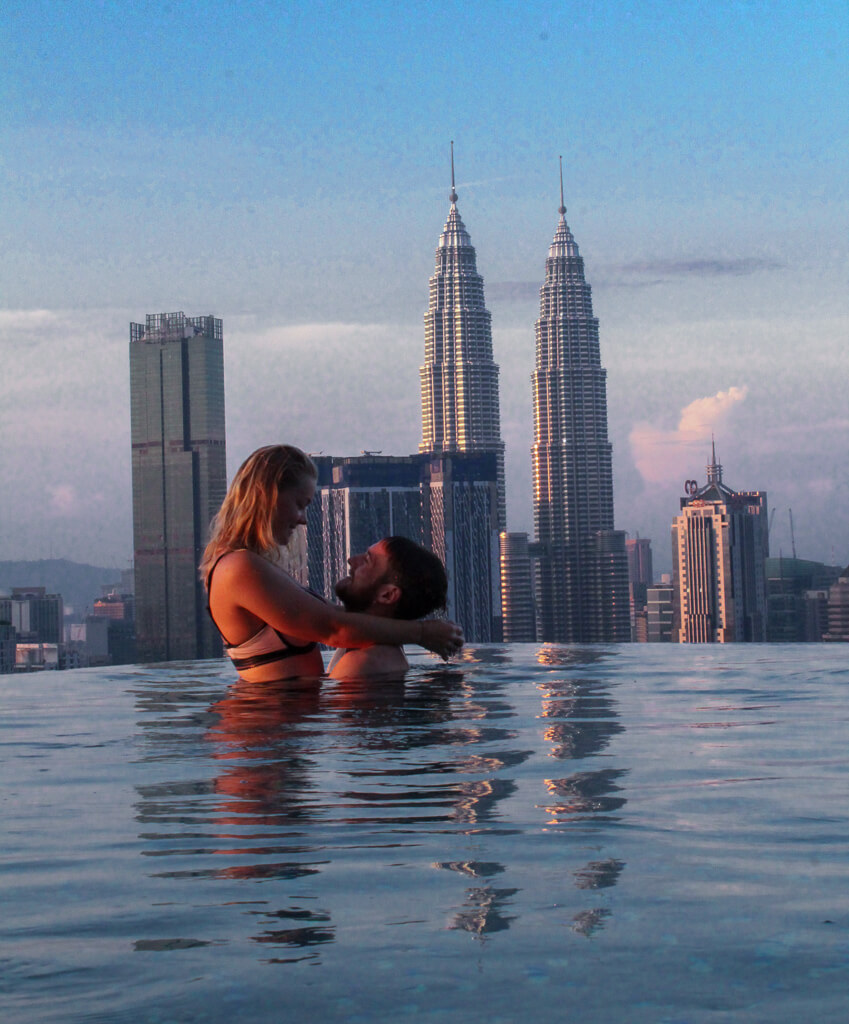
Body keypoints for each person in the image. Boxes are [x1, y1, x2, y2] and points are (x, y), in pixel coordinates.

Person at [200, 445, 463, 681]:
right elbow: (333, 628)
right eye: (299, 504)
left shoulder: (253, 565)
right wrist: (422, 633)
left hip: (284, 729)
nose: (303, 520)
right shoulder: (239, 568)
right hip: (267, 730)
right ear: (267, 496)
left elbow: (338, 617)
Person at [328, 536, 448, 679]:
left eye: (367, 560)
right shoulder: (367, 648)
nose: (351, 561)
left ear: (387, 595)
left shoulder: (362, 663)